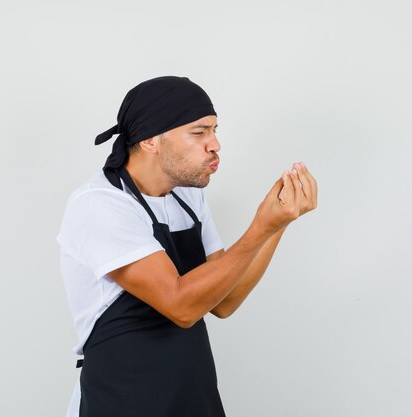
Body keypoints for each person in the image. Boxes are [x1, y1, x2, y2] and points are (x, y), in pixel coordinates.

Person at [56, 76, 317, 417]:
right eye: (199, 132)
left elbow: (225, 300)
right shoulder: (100, 206)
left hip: (191, 398)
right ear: (150, 139)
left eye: (214, 130)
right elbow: (180, 305)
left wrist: (277, 224)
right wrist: (259, 227)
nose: (215, 144)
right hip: (121, 401)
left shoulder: (188, 195)